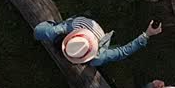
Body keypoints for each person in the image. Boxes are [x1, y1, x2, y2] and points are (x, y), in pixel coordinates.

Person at [33, 16, 163, 66]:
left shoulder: (57, 31)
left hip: (82, 27)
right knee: (103, 58)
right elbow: (123, 52)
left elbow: (38, 30)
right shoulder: (97, 57)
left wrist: (55, 27)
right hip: (84, 26)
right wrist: (147, 34)